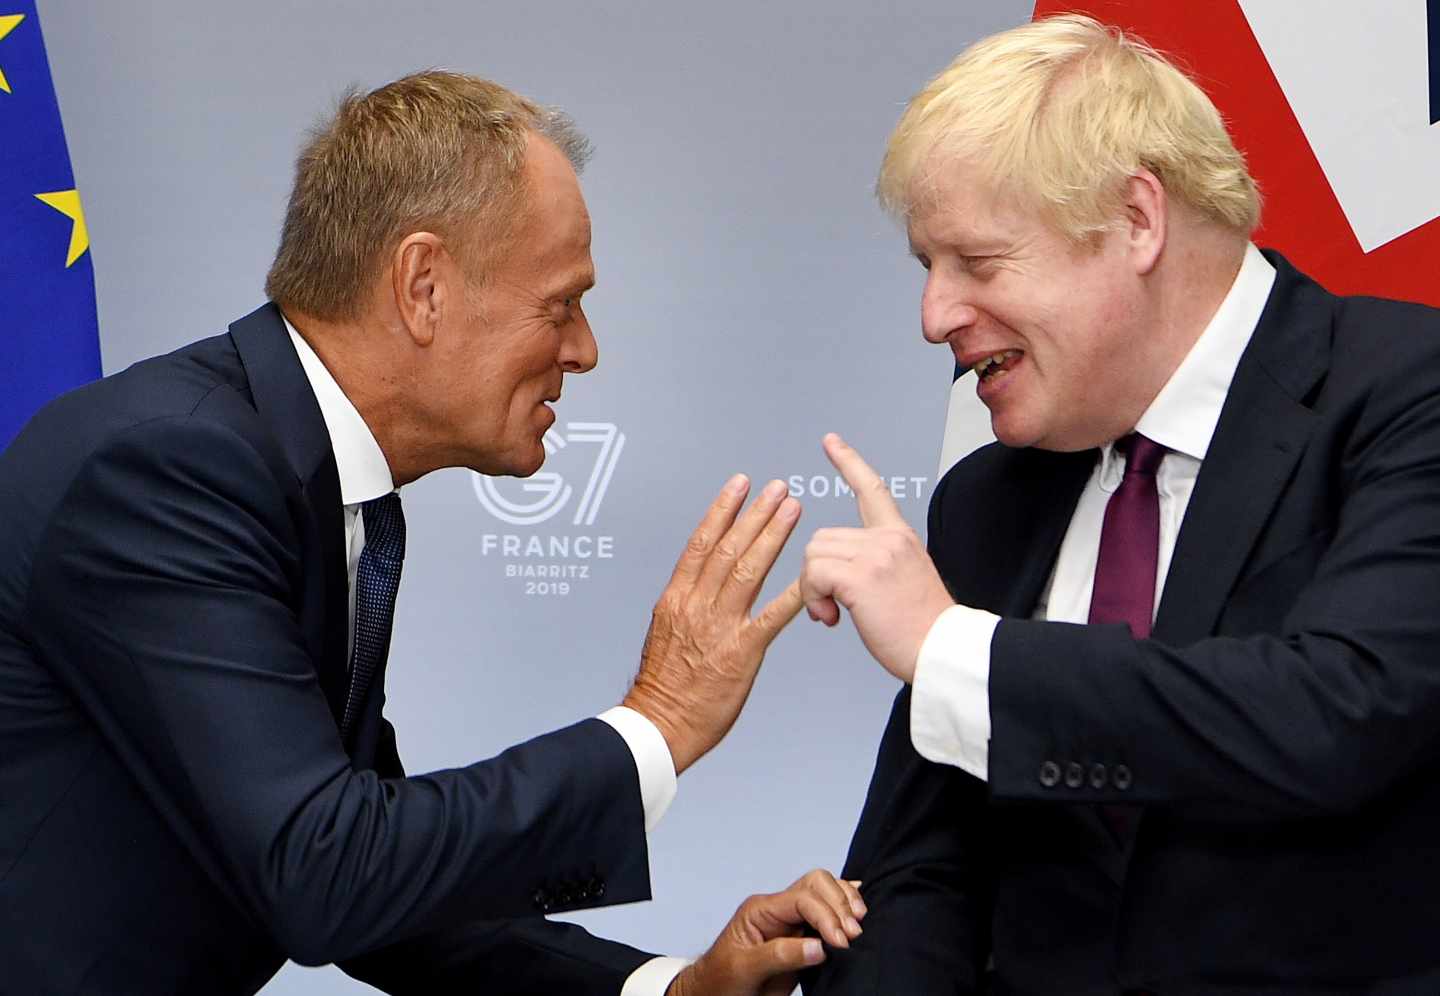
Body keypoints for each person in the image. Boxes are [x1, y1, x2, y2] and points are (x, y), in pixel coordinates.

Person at [0, 71, 867, 996]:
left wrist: (670, 988)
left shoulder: (317, 480)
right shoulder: (168, 471)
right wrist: (657, 721)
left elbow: (382, 887)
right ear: (423, 285)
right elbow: (326, 870)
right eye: (560, 302)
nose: (585, 348)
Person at [798, 14, 1440, 995]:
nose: (935, 317)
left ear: (1137, 221)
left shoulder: (1407, 393)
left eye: (977, 261)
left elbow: (1338, 714)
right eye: (928, 269)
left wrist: (953, 650)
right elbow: (924, 868)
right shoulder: (986, 500)